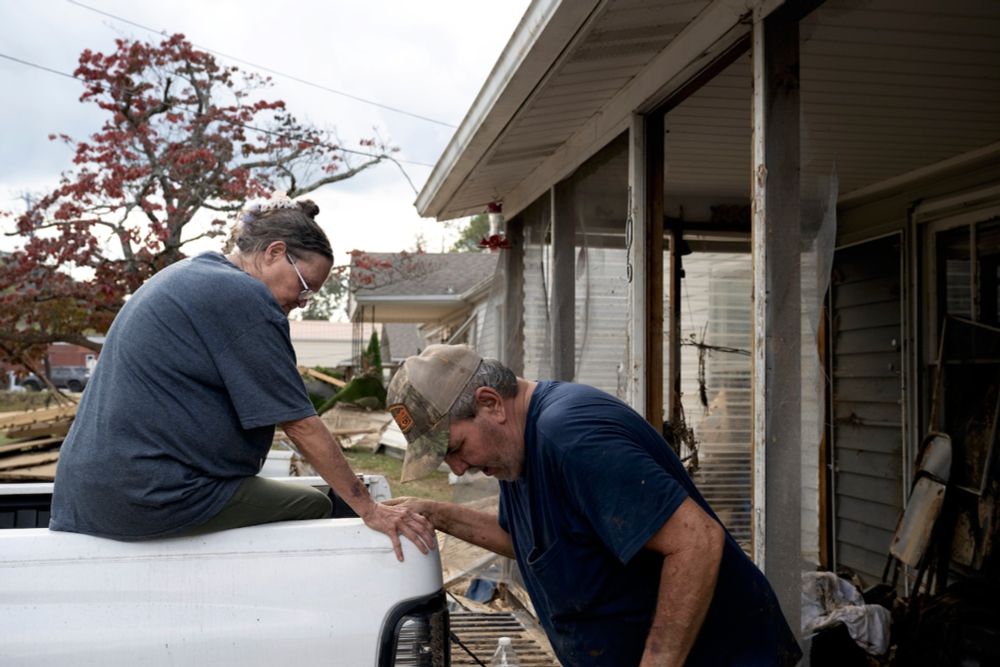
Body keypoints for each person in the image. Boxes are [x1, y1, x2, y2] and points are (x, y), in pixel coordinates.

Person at [50, 195, 435, 561]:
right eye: (304, 289)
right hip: (151, 494)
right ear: (274, 253)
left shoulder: (193, 275)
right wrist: (368, 509)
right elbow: (301, 423)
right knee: (316, 505)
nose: (300, 304)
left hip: (100, 492)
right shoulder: (244, 297)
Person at [385, 344, 802, 666]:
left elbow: (696, 542)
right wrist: (435, 514)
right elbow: (526, 541)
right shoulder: (515, 449)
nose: (460, 467)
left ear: (490, 403)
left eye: (456, 448)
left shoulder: (570, 438)